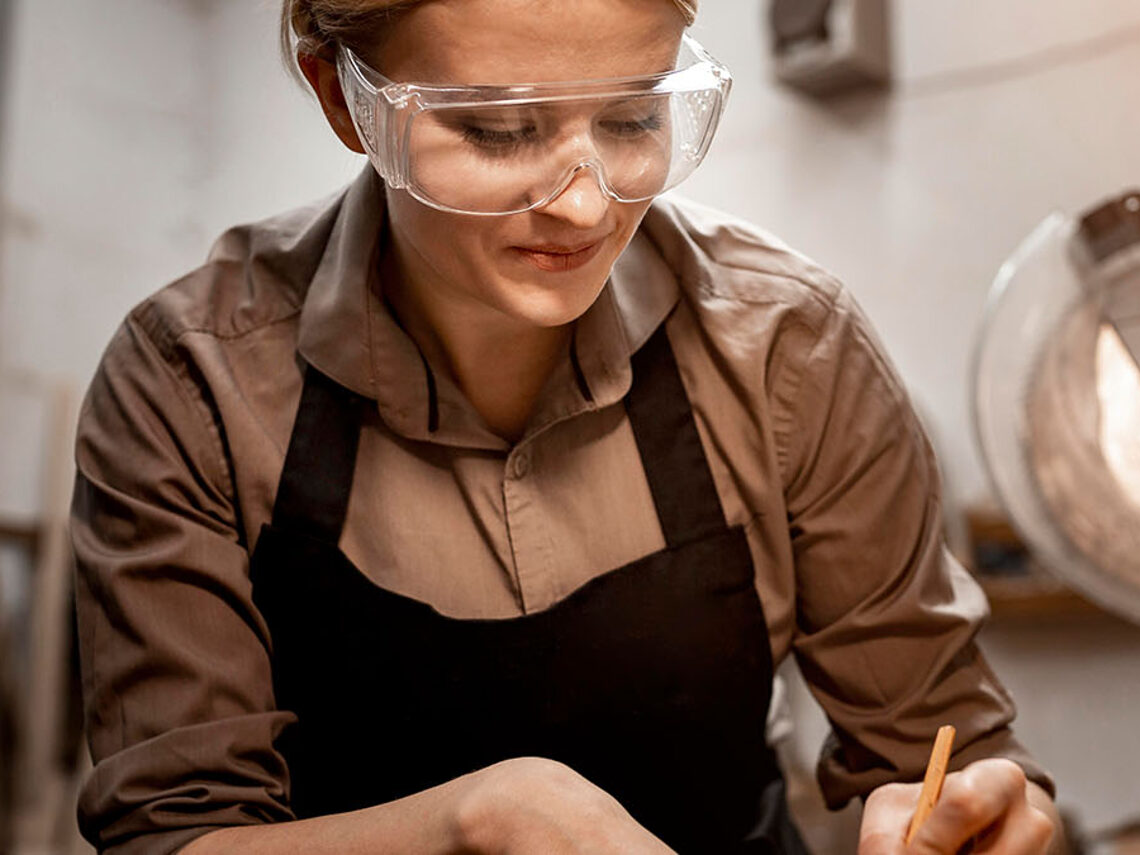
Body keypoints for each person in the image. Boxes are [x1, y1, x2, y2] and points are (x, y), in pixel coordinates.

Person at [70, 1, 1059, 853]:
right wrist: (485, 822)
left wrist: (976, 813)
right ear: (343, 98)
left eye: (633, 116)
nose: (585, 203)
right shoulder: (191, 380)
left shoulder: (785, 350)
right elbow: (172, 830)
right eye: (500, 130)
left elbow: (939, 751)